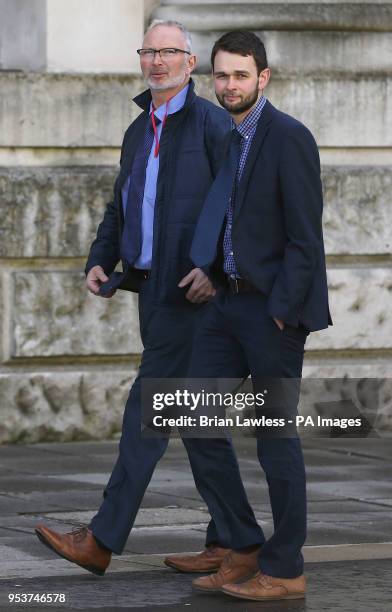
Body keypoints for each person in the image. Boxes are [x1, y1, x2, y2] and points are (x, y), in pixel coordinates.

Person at [34, 20, 265, 576]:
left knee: (148, 411)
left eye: (169, 51)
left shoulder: (213, 124)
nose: (157, 60)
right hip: (153, 292)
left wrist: (212, 270)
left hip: (196, 299)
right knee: (197, 421)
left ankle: (104, 539)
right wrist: (99, 257)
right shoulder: (139, 131)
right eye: (149, 51)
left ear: (191, 63)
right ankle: (233, 540)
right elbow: (123, 205)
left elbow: (241, 205)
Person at [178, 30, 332, 601]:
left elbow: (304, 236)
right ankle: (243, 544)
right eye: (221, 75)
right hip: (227, 305)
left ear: (263, 77)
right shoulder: (229, 137)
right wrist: (212, 272)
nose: (229, 85)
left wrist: (283, 313)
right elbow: (230, 218)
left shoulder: (289, 137)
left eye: (240, 75)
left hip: (271, 314)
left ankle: (286, 567)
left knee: (274, 441)